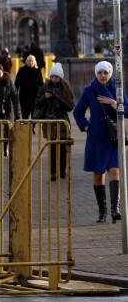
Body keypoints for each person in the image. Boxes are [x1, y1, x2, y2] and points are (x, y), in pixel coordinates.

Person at [73, 60, 128, 224]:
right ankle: (102, 211)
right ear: (96, 74)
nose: (103, 76)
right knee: (98, 173)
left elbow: (127, 109)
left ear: (110, 73)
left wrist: (113, 103)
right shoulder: (90, 90)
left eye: (105, 72)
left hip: (113, 137)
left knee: (114, 171)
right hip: (96, 138)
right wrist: (86, 127)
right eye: (100, 73)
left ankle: (115, 209)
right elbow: (78, 111)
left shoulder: (118, 89)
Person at [34, 63, 75, 181]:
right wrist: (45, 97)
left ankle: (62, 170)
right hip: (49, 122)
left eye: (56, 77)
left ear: (60, 77)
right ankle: (53, 172)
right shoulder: (44, 87)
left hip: (62, 122)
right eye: (52, 76)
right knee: (52, 148)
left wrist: (58, 98)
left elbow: (70, 106)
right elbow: (37, 104)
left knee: (62, 148)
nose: (54, 79)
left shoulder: (66, 88)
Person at [14, 55, 44, 121]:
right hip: (24, 96)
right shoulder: (21, 70)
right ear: (26, 62)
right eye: (29, 61)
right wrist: (15, 93)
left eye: (32, 61)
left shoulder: (38, 71)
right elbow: (17, 83)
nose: (30, 63)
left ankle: (32, 129)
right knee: (25, 114)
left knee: (34, 115)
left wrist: (42, 94)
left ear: (34, 62)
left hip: (35, 97)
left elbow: (41, 84)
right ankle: (26, 129)